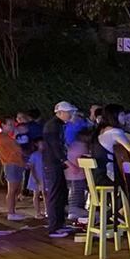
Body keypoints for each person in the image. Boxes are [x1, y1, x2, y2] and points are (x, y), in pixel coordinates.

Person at [43, 102, 76, 237]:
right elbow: (55, 146)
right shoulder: (54, 125)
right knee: (55, 194)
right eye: (69, 112)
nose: (71, 115)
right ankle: (54, 227)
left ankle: (59, 224)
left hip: (55, 164)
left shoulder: (58, 125)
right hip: (52, 164)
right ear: (60, 112)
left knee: (61, 193)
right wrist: (67, 162)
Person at [92, 104, 130, 185]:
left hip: (98, 175)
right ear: (113, 116)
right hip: (109, 176)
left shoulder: (100, 130)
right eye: (122, 114)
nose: (124, 117)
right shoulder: (115, 132)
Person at [0, 117, 27, 221]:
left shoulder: (6, 137)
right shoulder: (4, 137)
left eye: (12, 125)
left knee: (15, 189)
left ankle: (13, 212)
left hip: (15, 164)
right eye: (9, 125)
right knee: (12, 190)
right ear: (3, 125)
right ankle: (11, 213)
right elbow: (18, 148)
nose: (12, 127)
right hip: (12, 164)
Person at [65, 130, 90, 220]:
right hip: (79, 174)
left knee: (73, 194)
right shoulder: (84, 147)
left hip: (68, 173)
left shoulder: (72, 144)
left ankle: (73, 211)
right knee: (77, 194)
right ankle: (75, 212)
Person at [27, 137, 46, 219]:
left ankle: (47, 210)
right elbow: (32, 167)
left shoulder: (46, 154)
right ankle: (38, 212)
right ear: (36, 145)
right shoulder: (34, 155)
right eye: (41, 143)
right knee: (36, 194)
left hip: (45, 177)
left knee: (46, 194)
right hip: (37, 176)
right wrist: (35, 178)